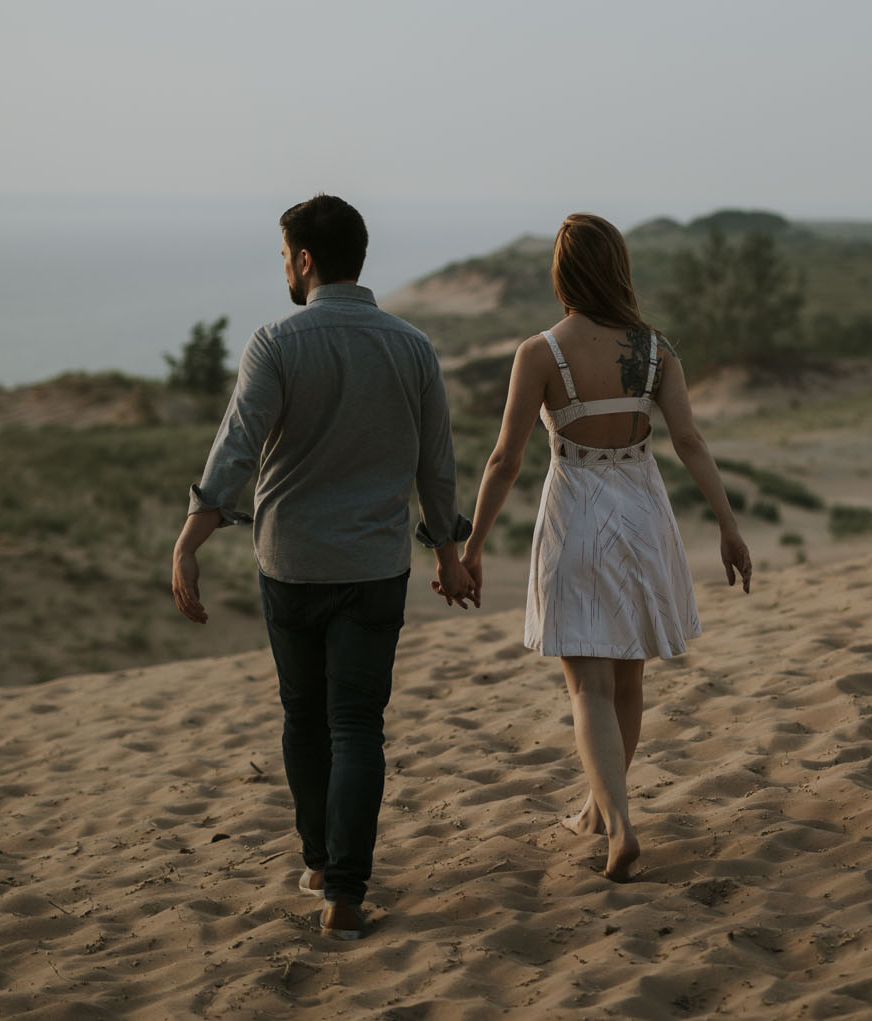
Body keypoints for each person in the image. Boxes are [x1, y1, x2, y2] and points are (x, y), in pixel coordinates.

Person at [170, 194, 474, 941]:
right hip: (374, 564)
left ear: (305, 260)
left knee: (305, 717)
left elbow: (235, 449)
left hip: (292, 563)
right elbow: (437, 468)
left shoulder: (276, 342)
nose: (284, 268)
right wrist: (448, 551)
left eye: (284, 256)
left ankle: (316, 859)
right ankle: (343, 889)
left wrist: (190, 537)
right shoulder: (412, 346)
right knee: (356, 723)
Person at [453, 212, 751, 882]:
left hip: (577, 512)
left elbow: (505, 458)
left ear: (562, 276)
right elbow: (691, 442)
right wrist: (729, 527)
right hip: (644, 509)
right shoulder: (656, 350)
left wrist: (472, 544)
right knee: (629, 677)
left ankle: (616, 824)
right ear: (619, 268)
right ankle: (597, 807)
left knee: (587, 683)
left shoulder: (540, 352)